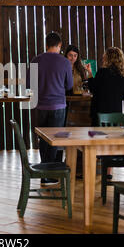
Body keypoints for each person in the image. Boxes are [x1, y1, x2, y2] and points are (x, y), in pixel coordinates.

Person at [29, 32, 73, 184]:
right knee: (54, 140)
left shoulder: (36, 60)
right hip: (58, 106)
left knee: (43, 139)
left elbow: (30, 84)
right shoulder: (65, 62)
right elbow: (69, 85)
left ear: (46, 45)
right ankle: (50, 173)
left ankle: (43, 172)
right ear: (60, 46)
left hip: (40, 106)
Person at [88, 47, 124, 126]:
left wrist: (90, 74)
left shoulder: (102, 72)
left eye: (104, 56)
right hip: (115, 115)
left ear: (108, 58)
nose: (103, 58)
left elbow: (93, 89)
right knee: (114, 136)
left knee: (98, 137)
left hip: (100, 113)